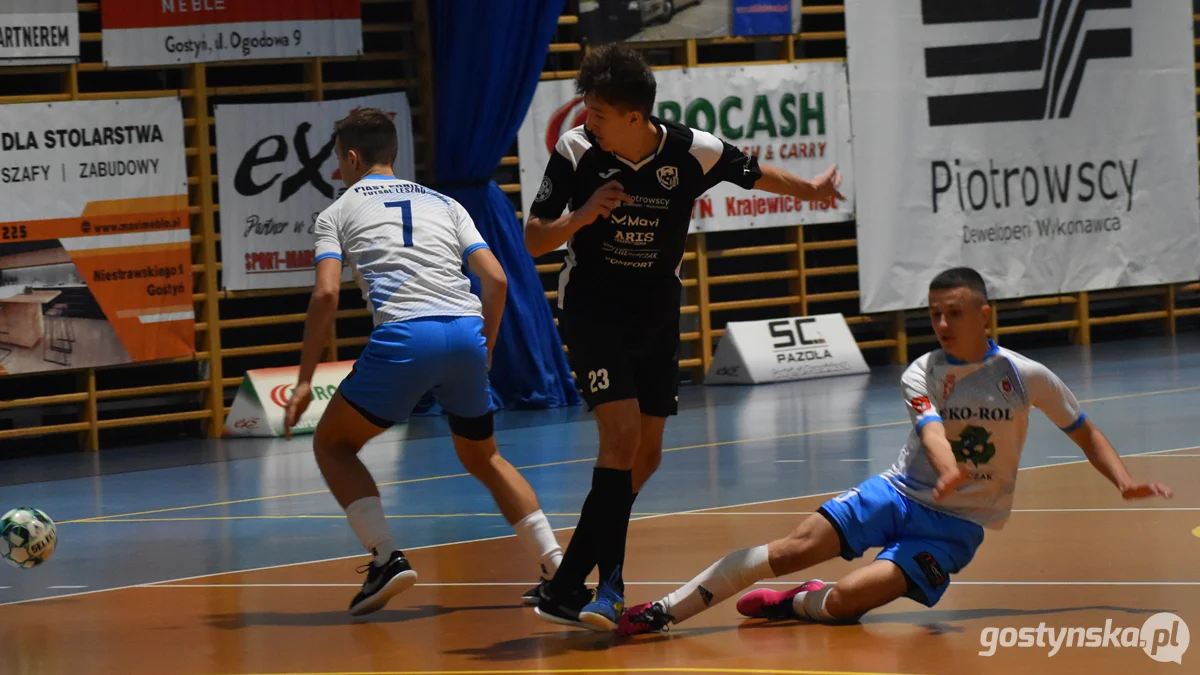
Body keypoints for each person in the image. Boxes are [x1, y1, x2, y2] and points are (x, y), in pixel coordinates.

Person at [615, 266, 1175, 635]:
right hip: (897, 493)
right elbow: (931, 428)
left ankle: (797, 603)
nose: (941, 323)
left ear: (985, 315)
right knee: (786, 551)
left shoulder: (1026, 377)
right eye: (934, 312)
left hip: (953, 529)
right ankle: (665, 610)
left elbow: (1085, 431)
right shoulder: (922, 370)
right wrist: (950, 464)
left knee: (844, 606)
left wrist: (1122, 480)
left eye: (954, 312)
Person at [523, 42, 846, 631]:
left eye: (598, 113)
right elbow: (534, 239)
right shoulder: (576, 151)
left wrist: (814, 192)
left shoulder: (692, 151)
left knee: (644, 459)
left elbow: (753, 172)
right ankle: (608, 591)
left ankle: (566, 584)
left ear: (635, 118)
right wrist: (582, 215)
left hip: (655, 312)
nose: (586, 122)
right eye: (585, 111)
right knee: (619, 440)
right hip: (592, 309)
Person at [283, 108, 564, 617]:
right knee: (485, 457)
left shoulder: (337, 212)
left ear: (350, 157)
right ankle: (557, 567)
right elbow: (496, 281)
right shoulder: (444, 202)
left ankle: (387, 558)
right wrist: (487, 349)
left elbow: (326, 296)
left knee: (333, 443)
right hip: (464, 332)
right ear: (393, 153)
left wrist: (304, 381)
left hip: (406, 337)